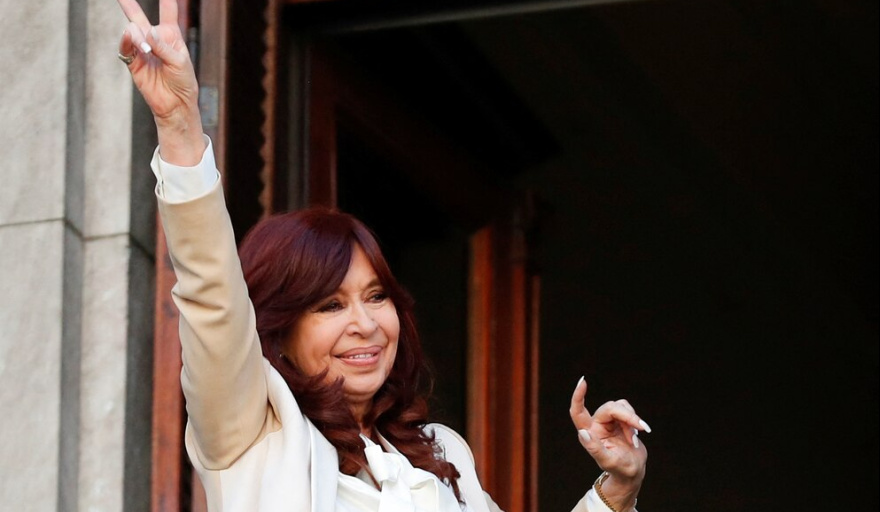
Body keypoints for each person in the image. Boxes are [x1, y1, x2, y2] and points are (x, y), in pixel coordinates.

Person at [116, 1, 650, 510]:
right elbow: (212, 296)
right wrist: (180, 126)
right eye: (330, 305)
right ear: (278, 328)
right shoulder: (253, 432)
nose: (366, 324)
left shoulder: (442, 454)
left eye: (376, 297)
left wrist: (617, 491)